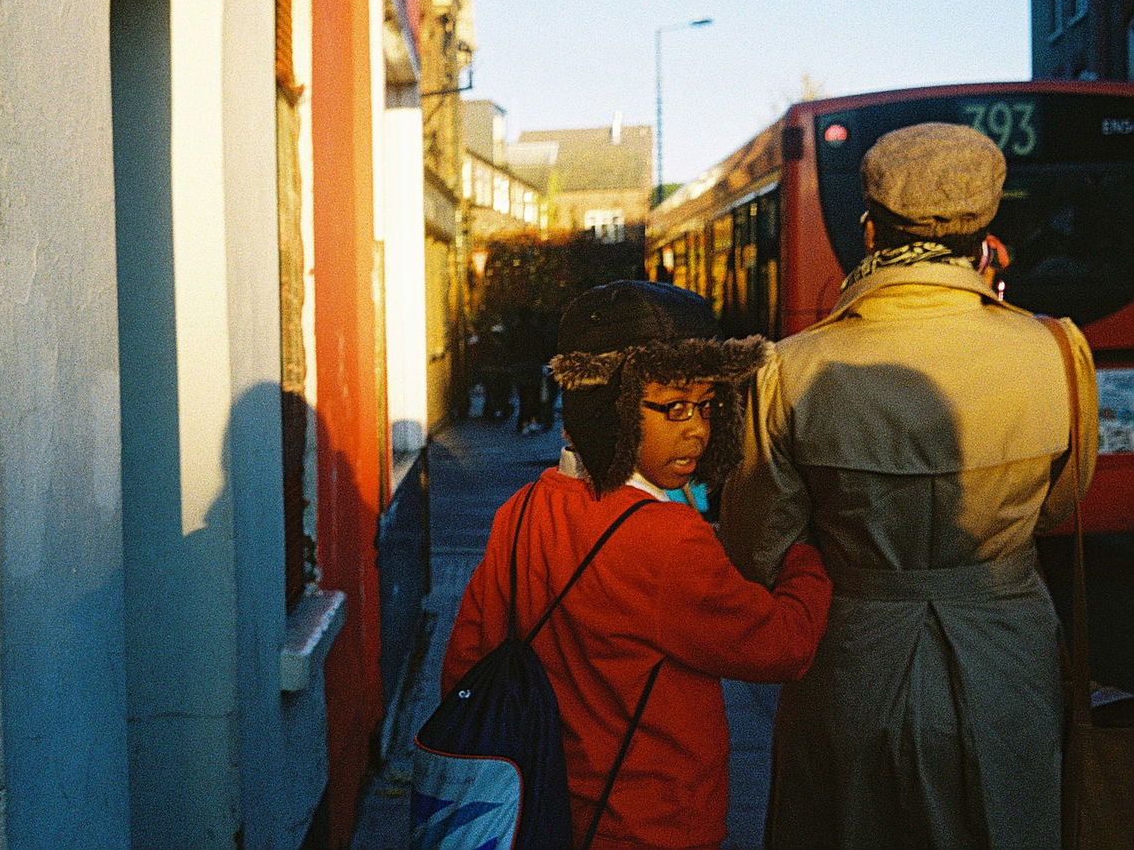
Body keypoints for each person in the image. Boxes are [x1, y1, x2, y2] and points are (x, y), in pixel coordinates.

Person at [718, 122, 1099, 849]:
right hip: (1008, 666)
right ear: (985, 234)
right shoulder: (1057, 350)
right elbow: (1059, 506)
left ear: (869, 232)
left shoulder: (791, 367)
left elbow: (756, 547)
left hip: (850, 668)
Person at [442, 281, 832, 850]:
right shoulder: (669, 539)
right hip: (655, 825)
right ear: (610, 409)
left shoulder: (521, 514)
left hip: (546, 815)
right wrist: (805, 559)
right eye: (675, 407)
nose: (698, 427)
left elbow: (464, 666)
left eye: (707, 405)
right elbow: (782, 644)